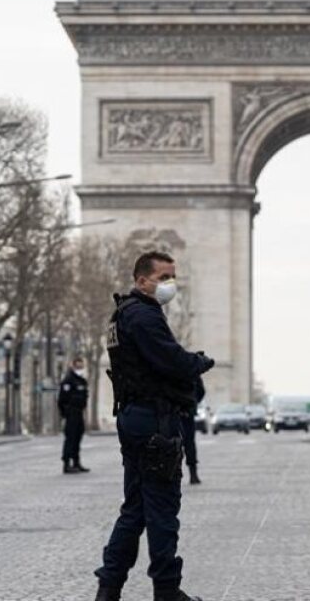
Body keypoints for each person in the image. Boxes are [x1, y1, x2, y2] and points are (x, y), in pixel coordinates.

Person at [94, 251, 215, 601]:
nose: (169, 284)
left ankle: (109, 587)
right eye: (163, 277)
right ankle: (166, 590)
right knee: (162, 508)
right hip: (153, 420)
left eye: (172, 277)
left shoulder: (121, 315)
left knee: (135, 508)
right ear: (141, 280)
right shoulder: (144, 316)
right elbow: (170, 360)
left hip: (133, 416)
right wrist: (199, 362)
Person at [58, 356, 91, 474]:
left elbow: (85, 396)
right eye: (78, 366)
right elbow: (62, 399)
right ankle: (66, 463)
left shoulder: (82, 381)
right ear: (73, 365)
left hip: (79, 412)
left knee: (78, 436)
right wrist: (65, 413)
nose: (80, 368)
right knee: (70, 438)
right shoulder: (68, 380)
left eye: (81, 366)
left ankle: (76, 462)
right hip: (71, 413)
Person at [179, 377, 205, 485]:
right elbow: (201, 391)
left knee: (171, 443)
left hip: (173, 413)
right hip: (187, 413)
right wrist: (193, 401)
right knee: (189, 444)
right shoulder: (191, 370)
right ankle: (193, 475)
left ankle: (173, 474)